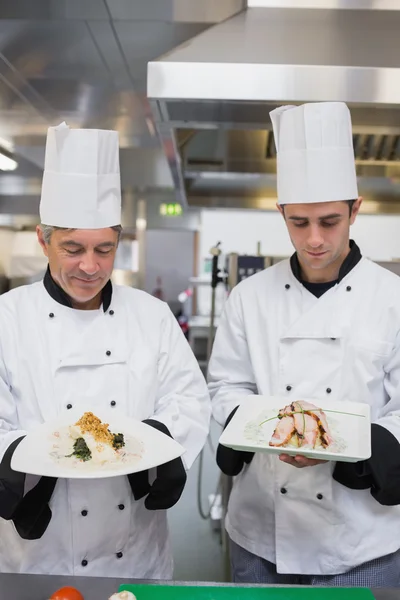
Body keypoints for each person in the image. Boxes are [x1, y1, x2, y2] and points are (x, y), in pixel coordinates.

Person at [0, 122, 211, 577]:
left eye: (105, 249)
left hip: (134, 549)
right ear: (43, 238)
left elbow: (189, 398)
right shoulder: (7, 319)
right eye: (73, 248)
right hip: (38, 552)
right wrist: (10, 458)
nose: (90, 266)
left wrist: (163, 442)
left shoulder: (151, 316)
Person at [208, 102, 400, 587]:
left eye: (330, 221)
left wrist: (363, 449)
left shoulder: (392, 297)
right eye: (298, 222)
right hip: (260, 535)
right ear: (281, 213)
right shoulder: (249, 296)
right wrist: (252, 430)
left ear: (355, 210)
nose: (314, 239)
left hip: (362, 542)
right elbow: (227, 384)